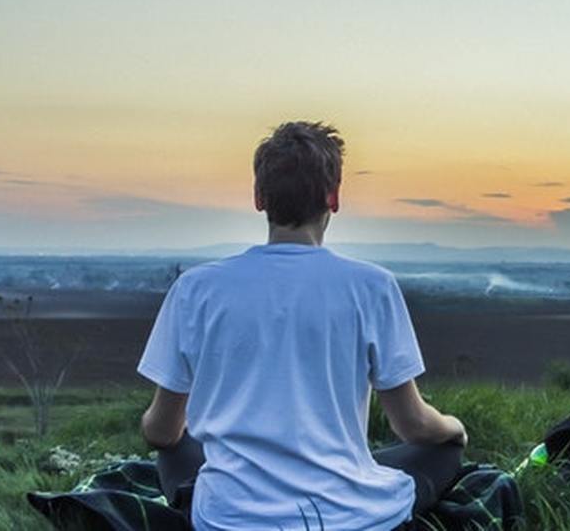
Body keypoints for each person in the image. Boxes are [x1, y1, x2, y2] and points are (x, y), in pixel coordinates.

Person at [136, 121, 467, 530]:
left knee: (175, 449)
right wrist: (455, 427)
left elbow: (161, 432)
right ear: (334, 197)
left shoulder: (195, 289)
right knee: (443, 450)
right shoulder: (373, 286)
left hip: (229, 518)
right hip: (349, 518)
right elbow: (413, 425)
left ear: (259, 198)